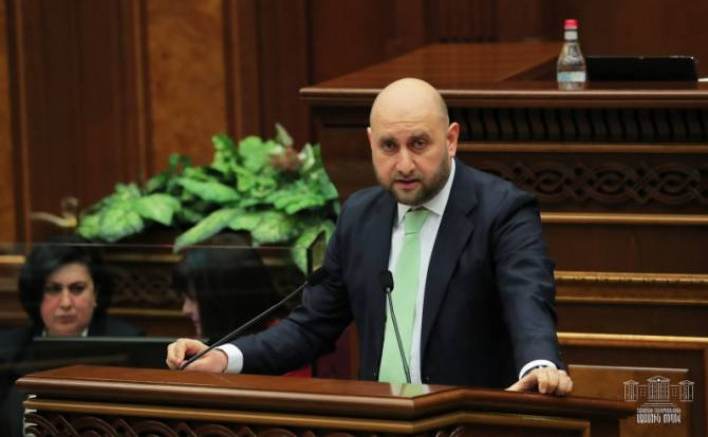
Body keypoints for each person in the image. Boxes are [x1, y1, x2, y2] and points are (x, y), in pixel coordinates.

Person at [167, 77, 573, 396]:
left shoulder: (501, 211)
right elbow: (311, 327)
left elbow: (528, 300)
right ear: (370, 144)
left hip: (468, 425)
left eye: (419, 144)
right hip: (381, 423)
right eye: (389, 146)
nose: (404, 164)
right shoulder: (360, 216)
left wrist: (538, 365)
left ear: (451, 140)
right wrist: (224, 357)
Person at [0, 235, 143, 436]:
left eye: (77, 289)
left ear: (96, 294)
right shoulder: (8, 351)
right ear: (36, 296)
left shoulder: (128, 346)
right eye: (53, 289)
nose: (66, 303)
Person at [171, 233, 280, 341]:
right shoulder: (201, 343)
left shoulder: (276, 343)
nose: (185, 310)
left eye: (195, 299)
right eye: (186, 298)